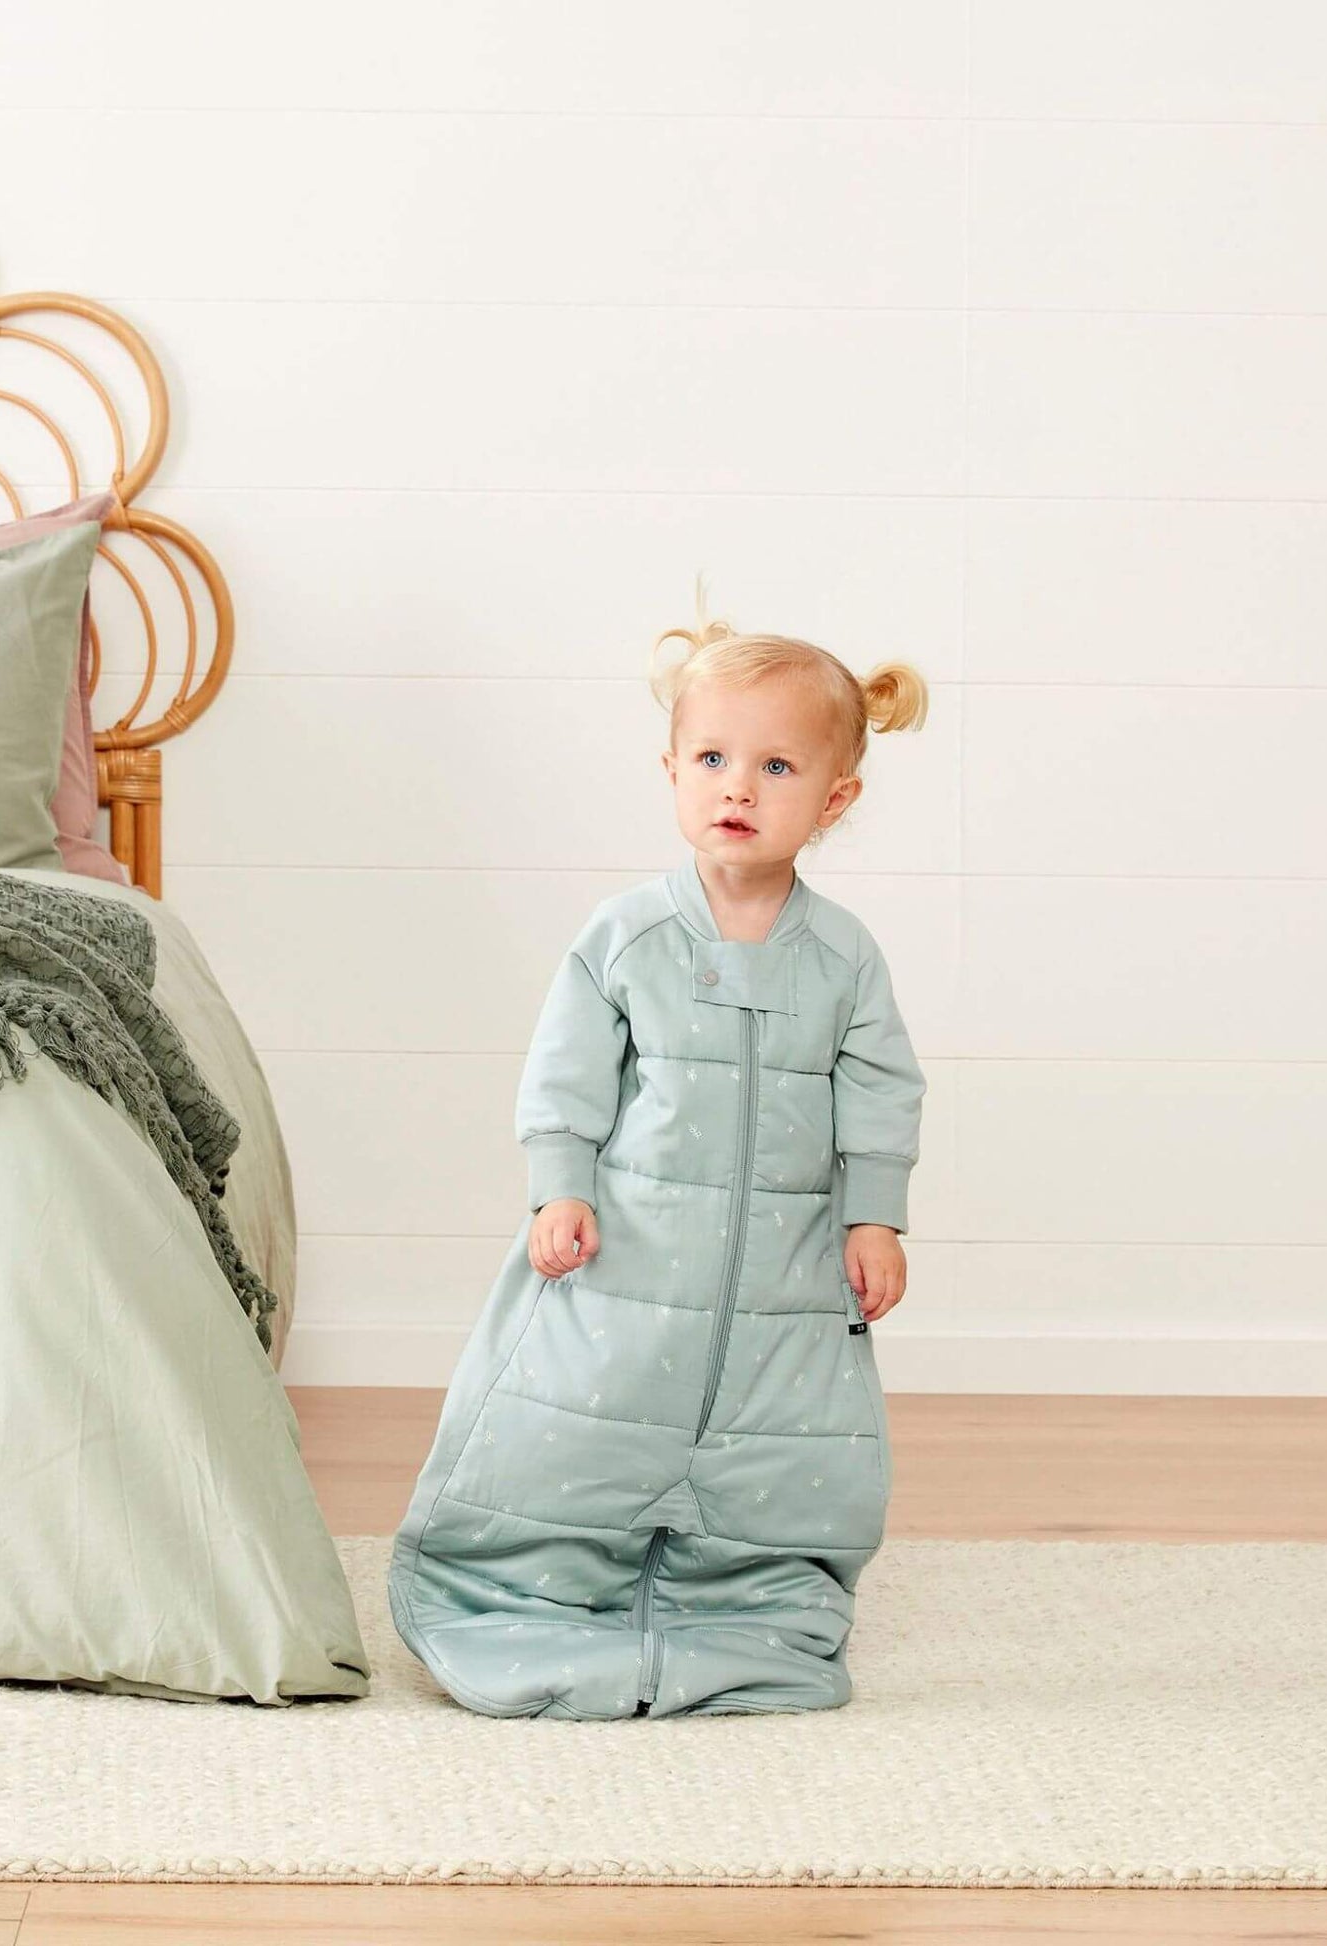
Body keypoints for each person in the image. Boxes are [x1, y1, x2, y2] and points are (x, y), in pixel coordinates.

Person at [388, 615, 929, 1718]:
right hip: (626, 1255)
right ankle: (554, 1576)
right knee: (579, 1425)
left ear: (833, 801)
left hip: (780, 1276)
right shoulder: (627, 934)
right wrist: (562, 1184)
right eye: (714, 759)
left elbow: (880, 1091)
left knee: (765, 1450)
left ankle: (735, 1587)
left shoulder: (841, 958)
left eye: (777, 765)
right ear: (673, 770)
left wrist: (873, 1218)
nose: (739, 785)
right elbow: (566, 1073)